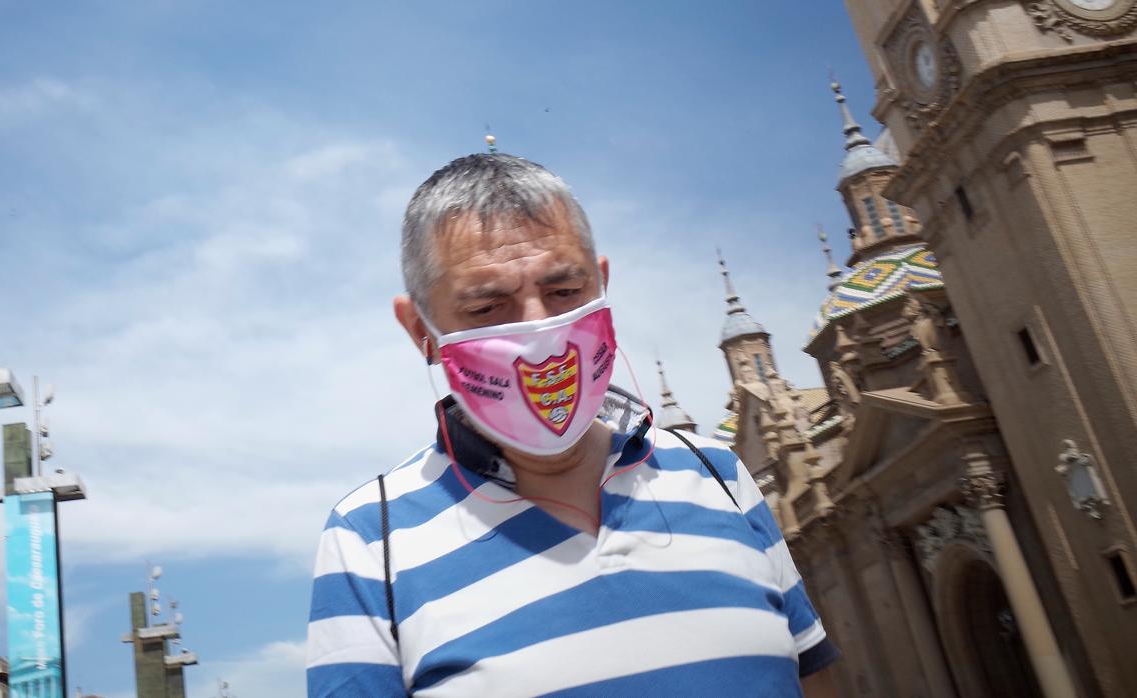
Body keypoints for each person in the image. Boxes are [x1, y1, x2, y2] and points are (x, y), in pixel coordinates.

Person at [306, 153, 840, 696]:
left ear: (601, 286)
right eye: (488, 306)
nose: (540, 328)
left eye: (564, 293)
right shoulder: (371, 540)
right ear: (421, 330)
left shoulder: (718, 474)